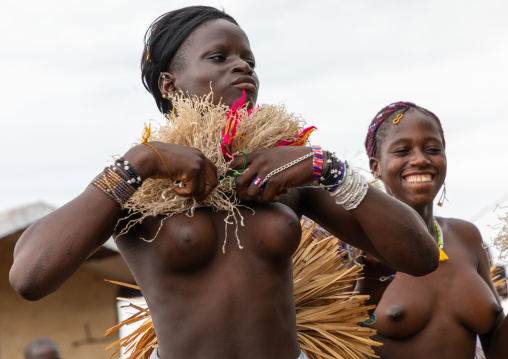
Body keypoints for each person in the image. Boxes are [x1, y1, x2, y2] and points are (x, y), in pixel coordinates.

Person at [9, 7, 439, 359]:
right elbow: (30, 277)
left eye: (249, 61)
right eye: (219, 57)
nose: (241, 66)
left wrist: (330, 169)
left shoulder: (282, 171)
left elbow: (421, 258)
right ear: (169, 84)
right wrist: (138, 162)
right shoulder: (139, 183)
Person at [358, 101, 508, 358]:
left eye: (432, 149)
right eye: (403, 150)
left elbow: (495, 344)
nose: (420, 159)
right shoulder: (355, 247)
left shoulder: (466, 236)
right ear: (376, 167)